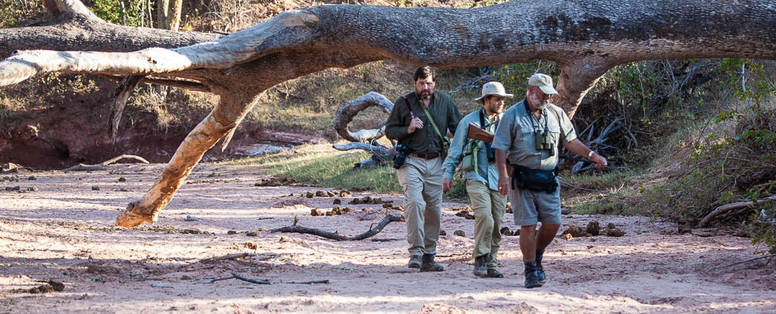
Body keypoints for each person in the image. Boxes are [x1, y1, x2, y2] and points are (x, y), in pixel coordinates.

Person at [492, 73, 607, 288]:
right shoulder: (512, 115)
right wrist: (503, 176)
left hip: (547, 177)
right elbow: (500, 147)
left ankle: (536, 254)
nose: (546, 99)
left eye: (549, 95)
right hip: (521, 177)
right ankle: (530, 270)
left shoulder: (556, 113)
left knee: (553, 223)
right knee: (527, 225)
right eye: (543, 94)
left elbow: (571, 140)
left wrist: (592, 155)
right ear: (531, 91)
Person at [385, 66, 462, 272]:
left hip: (436, 162)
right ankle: (416, 253)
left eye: (428, 83)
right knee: (415, 203)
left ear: (434, 83)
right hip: (411, 160)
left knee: (434, 209)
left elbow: (459, 129)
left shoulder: (445, 102)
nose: (425, 87)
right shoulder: (403, 103)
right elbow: (389, 130)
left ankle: (429, 255)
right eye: (421, 83)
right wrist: (408, 129)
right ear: (415, 83)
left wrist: (460, 154)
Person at [441, 82, 511, 278]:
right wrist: (448, 174)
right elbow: (455, 151)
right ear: (486, 100)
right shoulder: (468, 122)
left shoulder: (506, 121)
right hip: (476, 176)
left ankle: (492, 263)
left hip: (500, 177)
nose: (501, 102)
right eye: (497, 98)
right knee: (485, 218)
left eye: (502, 99)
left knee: (497, 222)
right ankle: (480, 258)